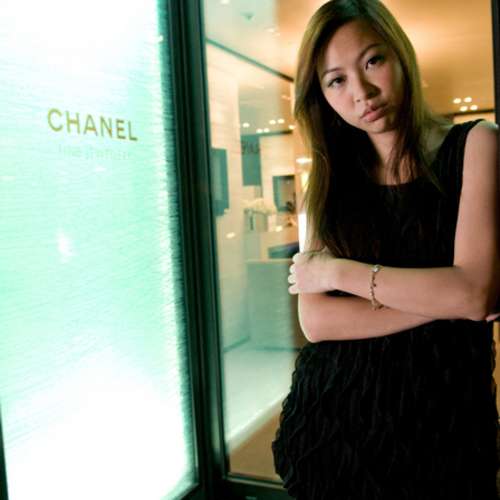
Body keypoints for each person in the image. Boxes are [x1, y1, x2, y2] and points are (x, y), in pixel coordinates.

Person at [271, 0, 500, 498]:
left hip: (442, 420)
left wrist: (337, 273)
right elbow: (318, 322)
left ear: (400, 53)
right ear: (321, 94)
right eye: (336, 81)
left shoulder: (477, 145)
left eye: (373, 61)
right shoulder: (329, 179)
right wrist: (448, 297)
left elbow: (473, 294)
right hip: (336, 422)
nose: (362, 93)